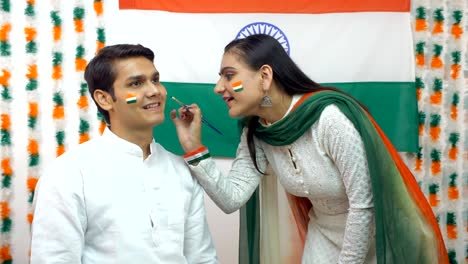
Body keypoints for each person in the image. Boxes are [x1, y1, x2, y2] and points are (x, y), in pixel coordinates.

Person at [171, 34, 448, 264]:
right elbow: (231, 199)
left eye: (229, 76)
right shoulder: (258, 132)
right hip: (323, 236)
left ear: (265, 76)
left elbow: (363, 205)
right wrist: (194, 148)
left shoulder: (328, 118)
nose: (219, 87)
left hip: (380, 235)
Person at [30, 44, 218, 264]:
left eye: (155, 80)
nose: (154, 91)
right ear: (104, 99)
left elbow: (202, 259)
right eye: (136, 83)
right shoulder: (69, 174)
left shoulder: (181, 171)